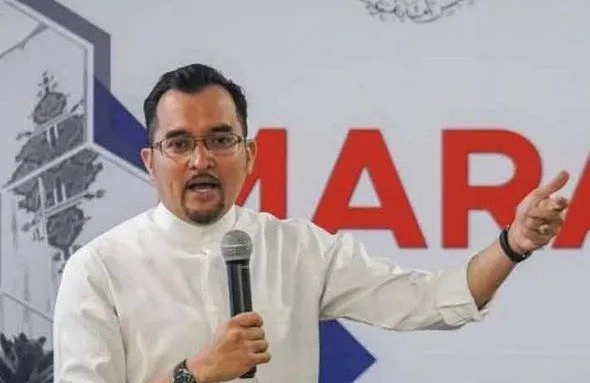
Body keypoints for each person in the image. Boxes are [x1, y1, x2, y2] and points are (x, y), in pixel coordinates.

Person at [52, 63, 570, 383]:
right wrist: (197, 373)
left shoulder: (297, 248)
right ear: (150, 161)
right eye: (179, 143)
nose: (201, 159)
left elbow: (430, 300)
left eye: (221, 139)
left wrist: (513, 243)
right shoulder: (99, 269)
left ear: (250, 154)